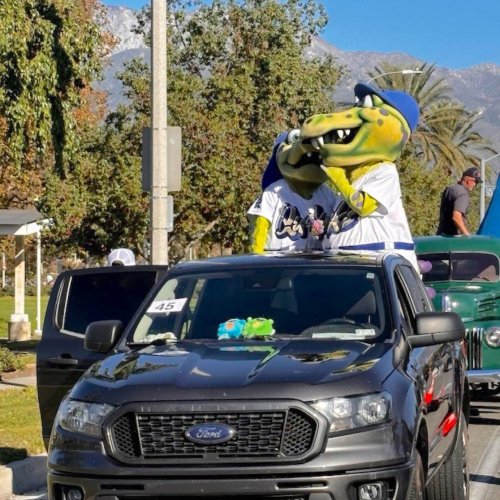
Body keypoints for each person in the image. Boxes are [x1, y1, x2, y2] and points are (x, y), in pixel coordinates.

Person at [436, 167, 482, 236]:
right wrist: (467, 235)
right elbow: (456, 217)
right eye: (476, 182)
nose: (475, 185)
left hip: (441, 235)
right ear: (469, 181)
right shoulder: (463, 194)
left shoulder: (450, 189)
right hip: (453, 238)